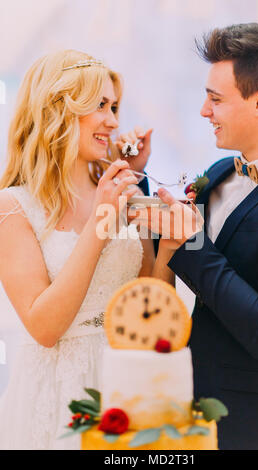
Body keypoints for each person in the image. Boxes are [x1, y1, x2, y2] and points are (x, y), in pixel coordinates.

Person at [132, 23, 258, 449]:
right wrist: (138, 183)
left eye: (215, 99)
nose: (204, 111)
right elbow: (172, 249)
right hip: (192, 402)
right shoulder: (218, 174)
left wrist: (194, 241)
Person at [0, 49, 173, 450]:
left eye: (114, 106)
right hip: (59, 390)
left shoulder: (118, 191)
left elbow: (146, 296)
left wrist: (170, 248)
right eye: (99, 105)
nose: (113, 121)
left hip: (127, 378)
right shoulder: (13, 206)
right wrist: (101, 221)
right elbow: (44, 328)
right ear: (58, 109)